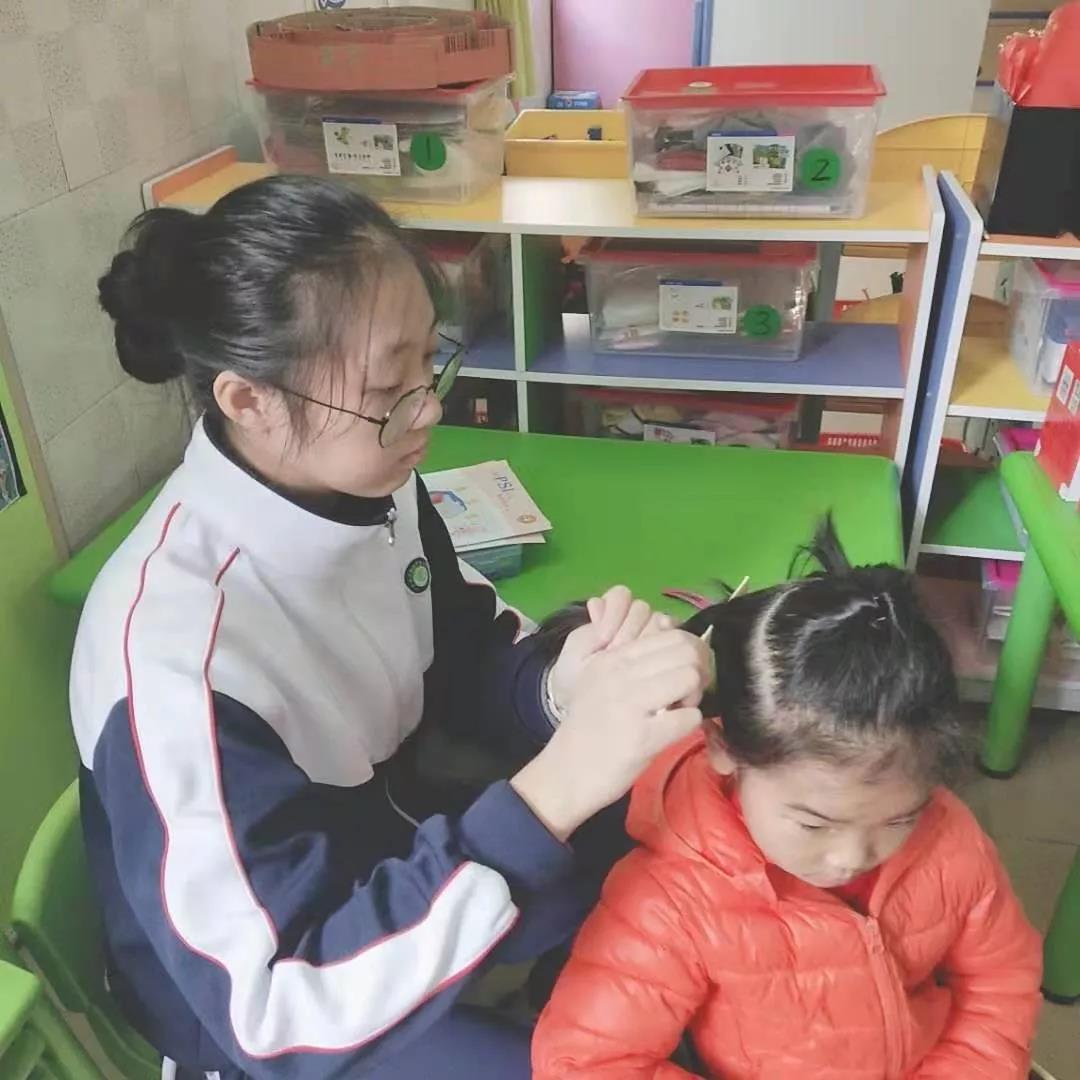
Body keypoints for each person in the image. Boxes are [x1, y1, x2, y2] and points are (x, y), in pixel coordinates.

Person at [72, 174, 711, 1080]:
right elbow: (279, 1012)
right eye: (387, 386)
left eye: (427, 362)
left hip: (404, 856)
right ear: (249, 400)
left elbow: (465, 650)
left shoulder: (369, 484)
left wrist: (562, 683)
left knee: (686, 856)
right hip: (298, 1010)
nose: (430, 407)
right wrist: (556, 788)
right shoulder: (177, 661)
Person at [532, 521, 1043, 1079]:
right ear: (725, 750)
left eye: (900, 818)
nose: (852, 857)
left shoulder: (950, 839)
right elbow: (587, 1061)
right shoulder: (673, 900)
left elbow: (1001, 981)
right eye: (814, 825)